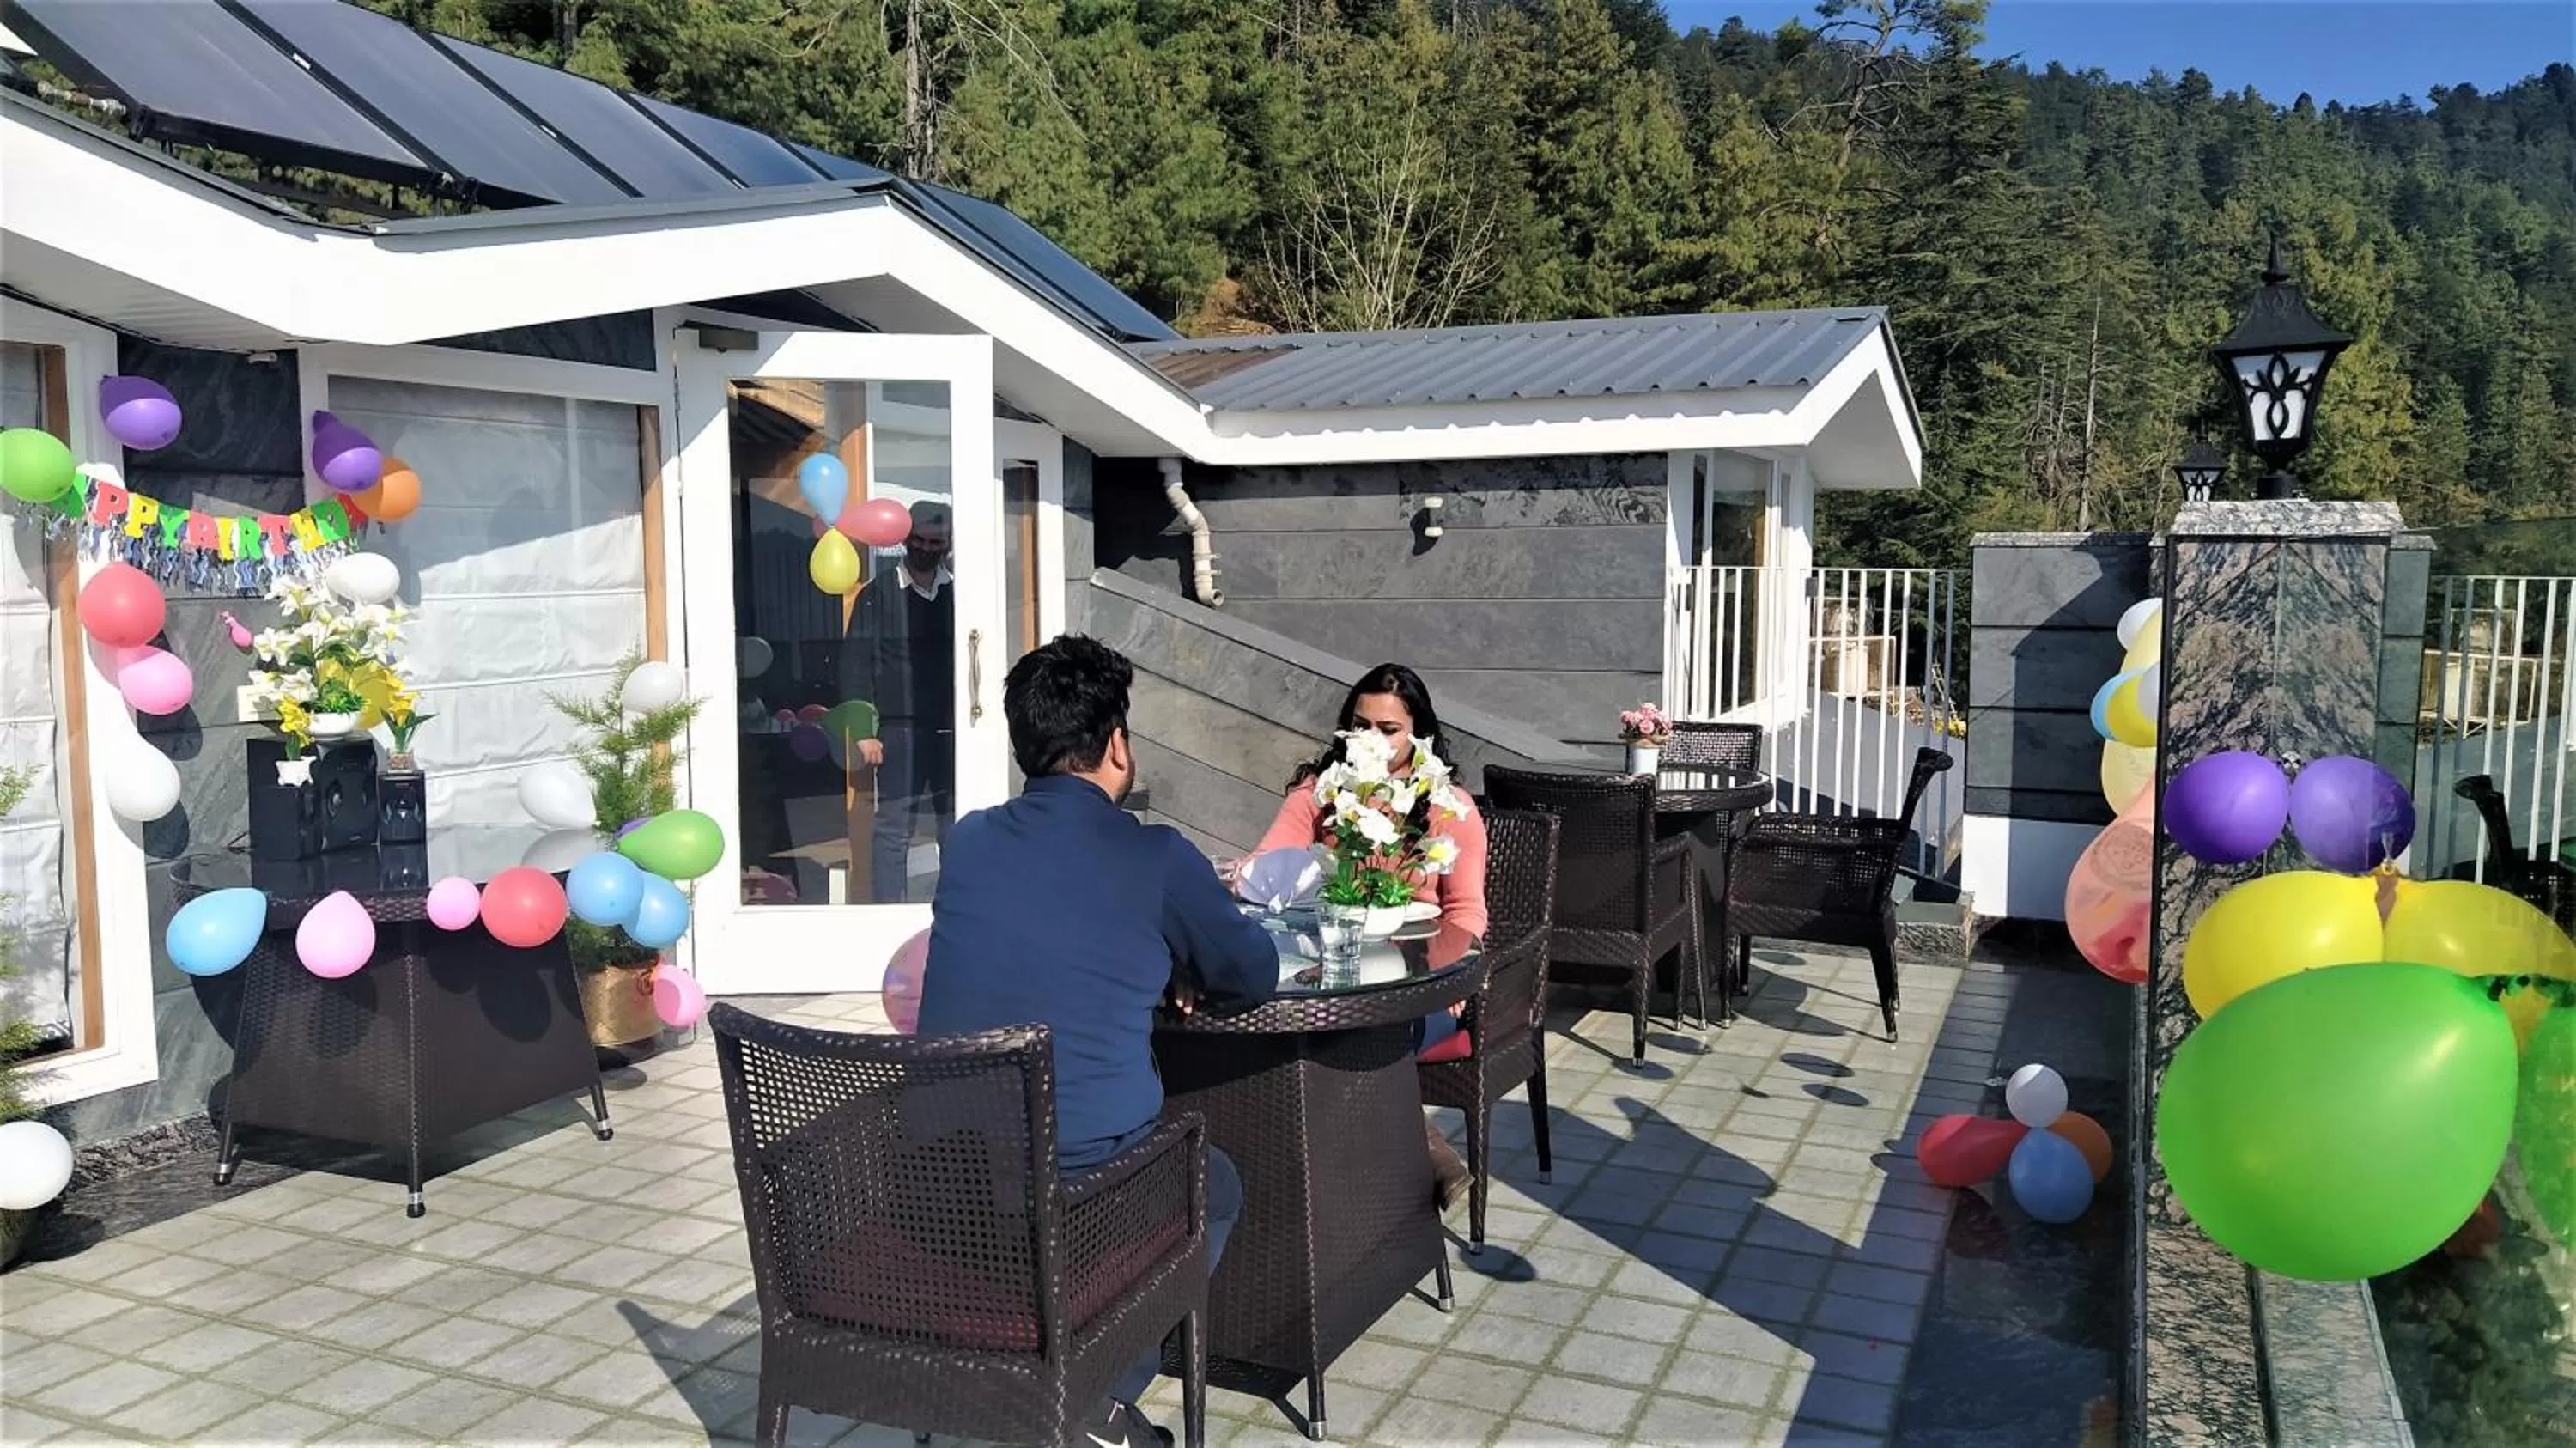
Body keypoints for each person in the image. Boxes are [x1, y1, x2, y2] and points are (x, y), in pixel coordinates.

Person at [916, 635, 1279, 1448]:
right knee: (1211, 1183)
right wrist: (1178, 957)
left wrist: (1157, 954)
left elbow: (1043, 944)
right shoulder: (1154, 856)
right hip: (1075, 1190)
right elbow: (1251, 974)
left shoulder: (967, 842)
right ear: (1117, 744)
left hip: (942, 1182)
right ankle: (1098, 1399)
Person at [1247, 662, 1485, 1208]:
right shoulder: (1322, 789)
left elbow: (1467, 914)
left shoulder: (1448, 805)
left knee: (1354, 1037)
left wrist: (1449, 993)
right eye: (1361, 725)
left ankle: (1353, 1187)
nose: (1371, 740)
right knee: (1296, 1031)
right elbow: (1267, 863)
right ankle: (1342, 1186)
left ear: (1417, 735)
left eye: (1388, 729)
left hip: (1419, 985)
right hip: (1326, 966)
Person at [841, 500, 954, 903]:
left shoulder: (962, 596)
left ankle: (955, 910)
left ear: (948, 544)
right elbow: (855, 664)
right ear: (905, 540)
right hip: (896, 730)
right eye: (919, 540)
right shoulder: (878, 594)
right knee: (893, 829)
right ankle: (888, 912)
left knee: (953, 826)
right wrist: (864, 732)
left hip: (952, 728)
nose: (926, 548)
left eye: (935, 542)